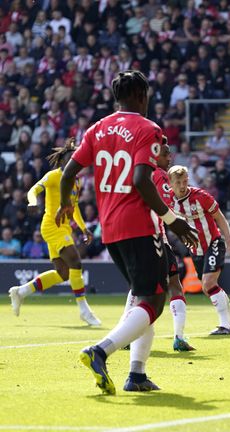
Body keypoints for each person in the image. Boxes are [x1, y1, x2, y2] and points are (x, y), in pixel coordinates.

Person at [56, 70, 198, 395]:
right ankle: (100, 351)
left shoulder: (96, 128)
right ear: (140, 96)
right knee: (154, 300)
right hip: (139, 225)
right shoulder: (148, 129)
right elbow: (139, 180)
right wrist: (171, 217)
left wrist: (66, 205)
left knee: (143, 296)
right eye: (146, 96)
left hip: (110, 228)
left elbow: (67, 175)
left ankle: (137, 374)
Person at [8, 138, 101, 326]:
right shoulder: (53, 176)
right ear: (61, 161)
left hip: (64, 227)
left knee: (63, 274)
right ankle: (84, 310)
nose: (73, 161)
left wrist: (84, 228)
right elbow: (33, 189)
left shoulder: (77, 182)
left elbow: (73, 208)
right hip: (51, 225)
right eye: (69, 159)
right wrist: (32, 202)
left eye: (75, 158)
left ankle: (21, 291)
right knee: (75, 261)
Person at [167, 164, 230, 335]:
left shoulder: (201, 197)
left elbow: (220, 219)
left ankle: (225, 326)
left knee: (208, 283)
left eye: (184, 181)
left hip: (213, 242)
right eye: (178, 182)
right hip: (196, 249)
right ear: (170, 183)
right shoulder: (168, 200)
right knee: (207, 288)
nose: (182, 185)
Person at [150, 138, 194, 351]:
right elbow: (169, 200)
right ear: (155, 155)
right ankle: (178, 337)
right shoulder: (158, 175)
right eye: (166, 154)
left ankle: (178, 337)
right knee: (168, 287)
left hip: (151, 236)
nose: (169, 158)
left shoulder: (143, 172)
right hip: (153, 236)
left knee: (146, 287)